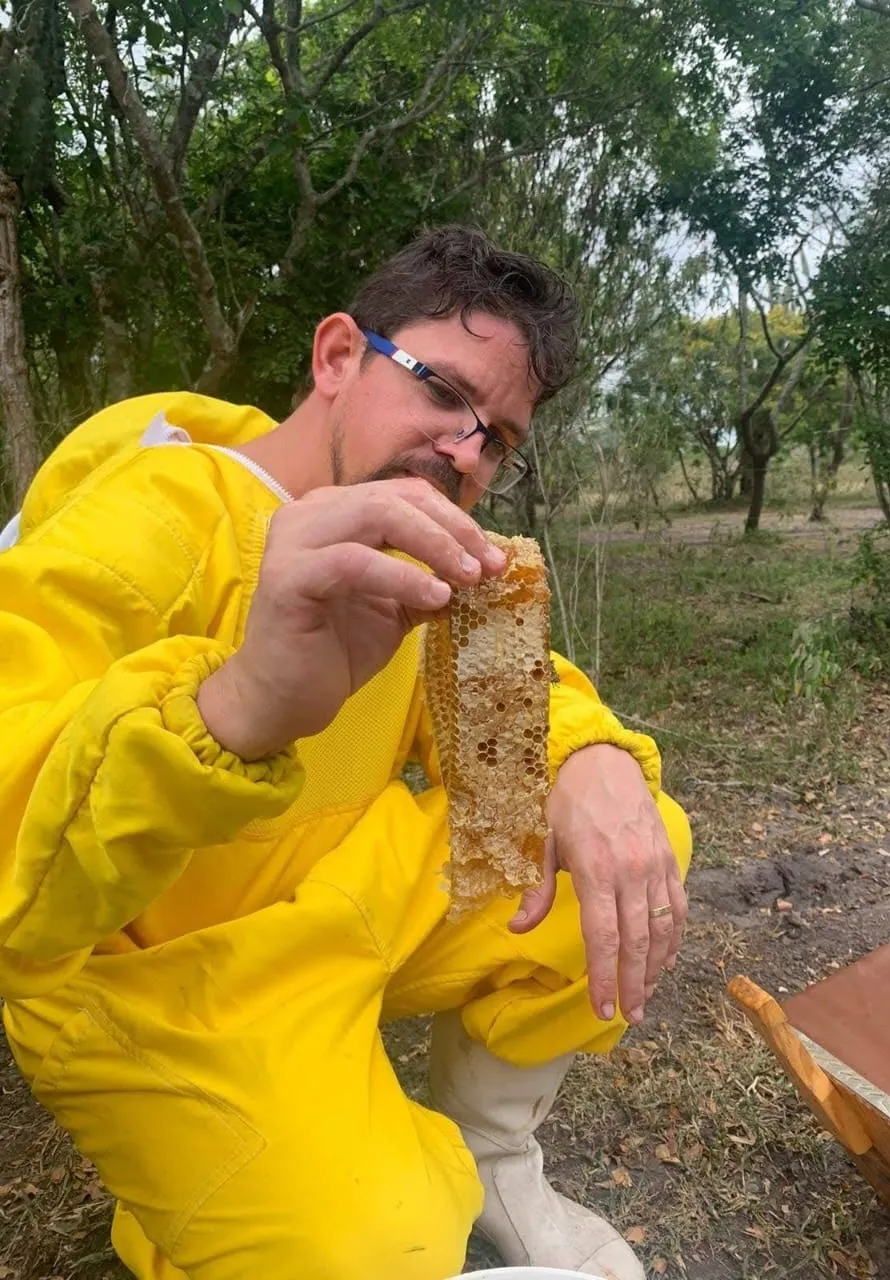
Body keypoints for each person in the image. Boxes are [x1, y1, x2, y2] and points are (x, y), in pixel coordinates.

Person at [0, 225, 691, 1280]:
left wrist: (585, 758)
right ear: (335, 358)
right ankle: (193, 1210)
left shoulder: (427, 543)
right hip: (163, 978)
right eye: (441, 392)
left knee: (635, 842)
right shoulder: (148, 517)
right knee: (384, 1240)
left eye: (497, 436)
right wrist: (239, 705)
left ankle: (496, 1154)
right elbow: (16, 869)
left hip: (336, 900)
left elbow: (505, 728)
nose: (466, 450)